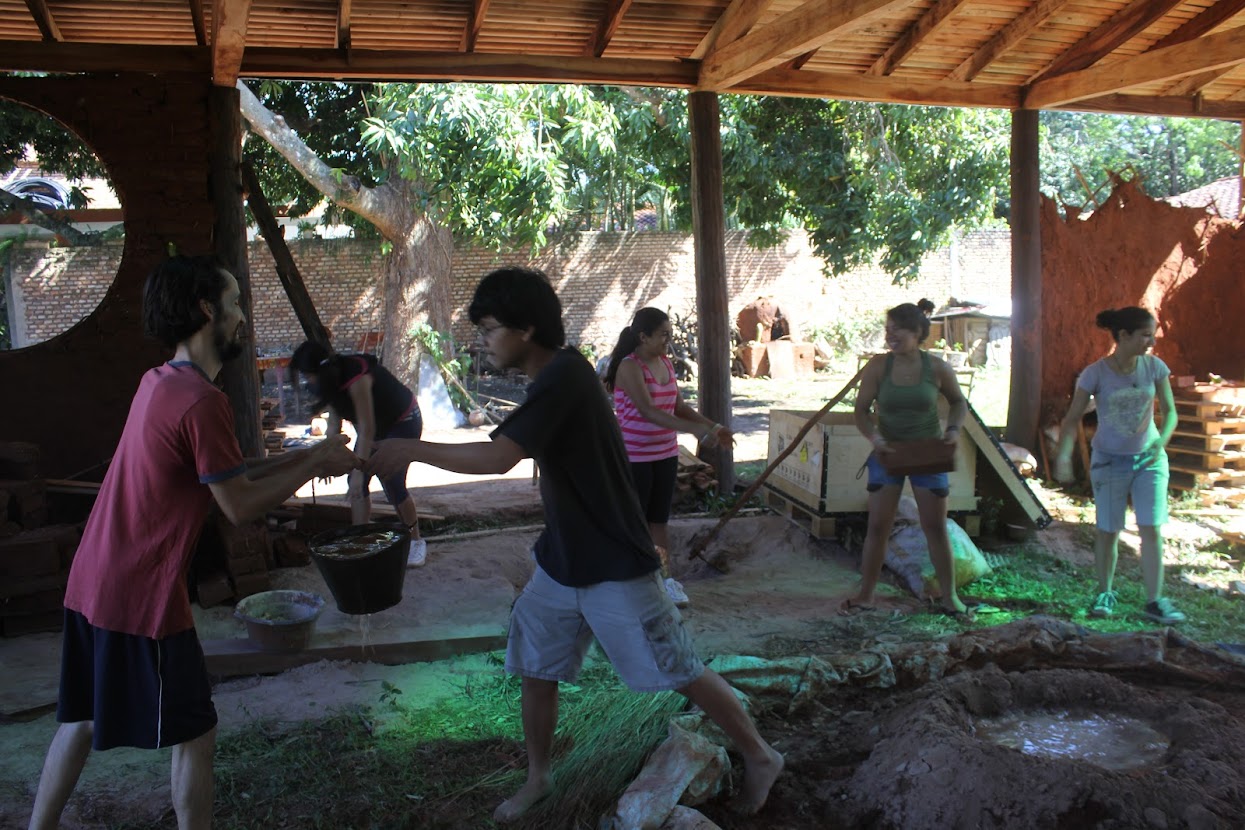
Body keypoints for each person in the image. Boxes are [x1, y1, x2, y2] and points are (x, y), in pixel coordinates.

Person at [366, 267, 783, 824]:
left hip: (614, 560)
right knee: (536, 667)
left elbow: (497, 459)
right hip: (561, 561)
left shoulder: (566, 375)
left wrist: (410, 450)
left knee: (680, 668)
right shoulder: (554, 380)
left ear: (528, 329)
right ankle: (540, 778)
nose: (484, 341)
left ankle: (761, 755)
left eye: (490, 328)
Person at [28, 255, 358, 830]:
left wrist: (311, 455)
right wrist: (314, 465)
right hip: (140, 594)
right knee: (196, 732)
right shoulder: (205, 401)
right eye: (234, 304)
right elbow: (239, 505)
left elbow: (219, 471)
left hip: (92, 581)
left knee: (79, 718)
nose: (242, 318)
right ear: (208, 310)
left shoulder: (159, 382)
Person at [1053, 306, 1183, 624]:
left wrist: (1160, 441)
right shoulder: (1095, 373)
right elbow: (1072, 419)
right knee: (1108, 530)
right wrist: (1063, 456)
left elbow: (1171, 412)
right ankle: (1105, 593)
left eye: (1152, 335)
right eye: (1145, 336)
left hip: (1149, 462)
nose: (1150, 342)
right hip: (1109, 462)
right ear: (1123, 336)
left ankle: (1154, 601)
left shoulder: (1155, 368)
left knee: (1151, 527)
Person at [843, 299, 971, 618]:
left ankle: (949, 597)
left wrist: (953, 431)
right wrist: (876, 439)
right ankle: (866, 595)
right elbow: (860, 411)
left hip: (928, 453)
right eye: (887, 329)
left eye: (897, 329)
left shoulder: (937, 367)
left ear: (917, 332)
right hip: (889, 453)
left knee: (935, 527)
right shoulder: (878, 366)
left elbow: (958, 403)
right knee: (878, 527)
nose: (890, 335)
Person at [604, 307, 731, 607]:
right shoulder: (629, 367)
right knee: (634, 522)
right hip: (636, 457)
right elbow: (649, 412)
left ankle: (664, 580)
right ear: (643, 336)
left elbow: (678, 406)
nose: (668, 342)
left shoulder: (665, 364)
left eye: (670, 335)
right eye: (663, 335)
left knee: (658, 521)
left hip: (664, 454)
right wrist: (697, 432)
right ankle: (629, 582)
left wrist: (713, 425)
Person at [290, 340, 428, 567]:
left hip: (403, 421)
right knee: (356, 479)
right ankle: (360, 538)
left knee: (391, 481)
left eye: (308, 376)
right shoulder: (331, 384)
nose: (308, 382)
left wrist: (357, 475)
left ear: (320, 371)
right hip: (376, 429)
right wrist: (326, 459)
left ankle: (416, 540)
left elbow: (366, 428)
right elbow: (334, 429)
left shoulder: (356, 377)